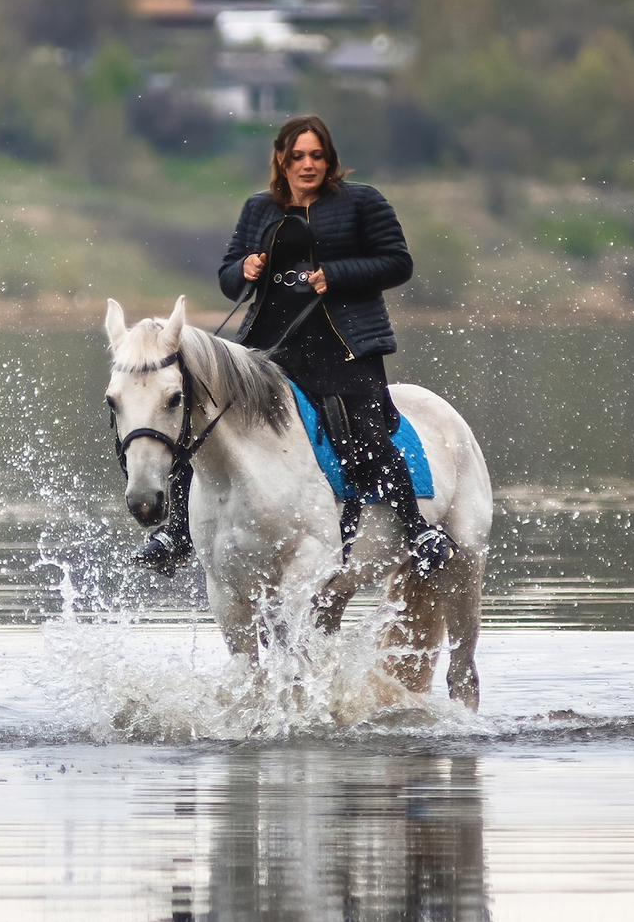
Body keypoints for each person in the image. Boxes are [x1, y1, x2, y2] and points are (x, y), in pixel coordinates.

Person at [134, 114, 456, 577]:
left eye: (317, 156)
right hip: (268, 349)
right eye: (298, 156)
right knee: (199, 417)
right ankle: (177, 533)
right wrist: (244, 268)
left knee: (365, 426)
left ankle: (417, 530)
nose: (308, 165)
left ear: (330, 160)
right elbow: (228, 278)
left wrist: (339, 275)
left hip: (346, 344)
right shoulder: (258, 208)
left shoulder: (363, 202)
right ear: (281, 161)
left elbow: (397, 263)